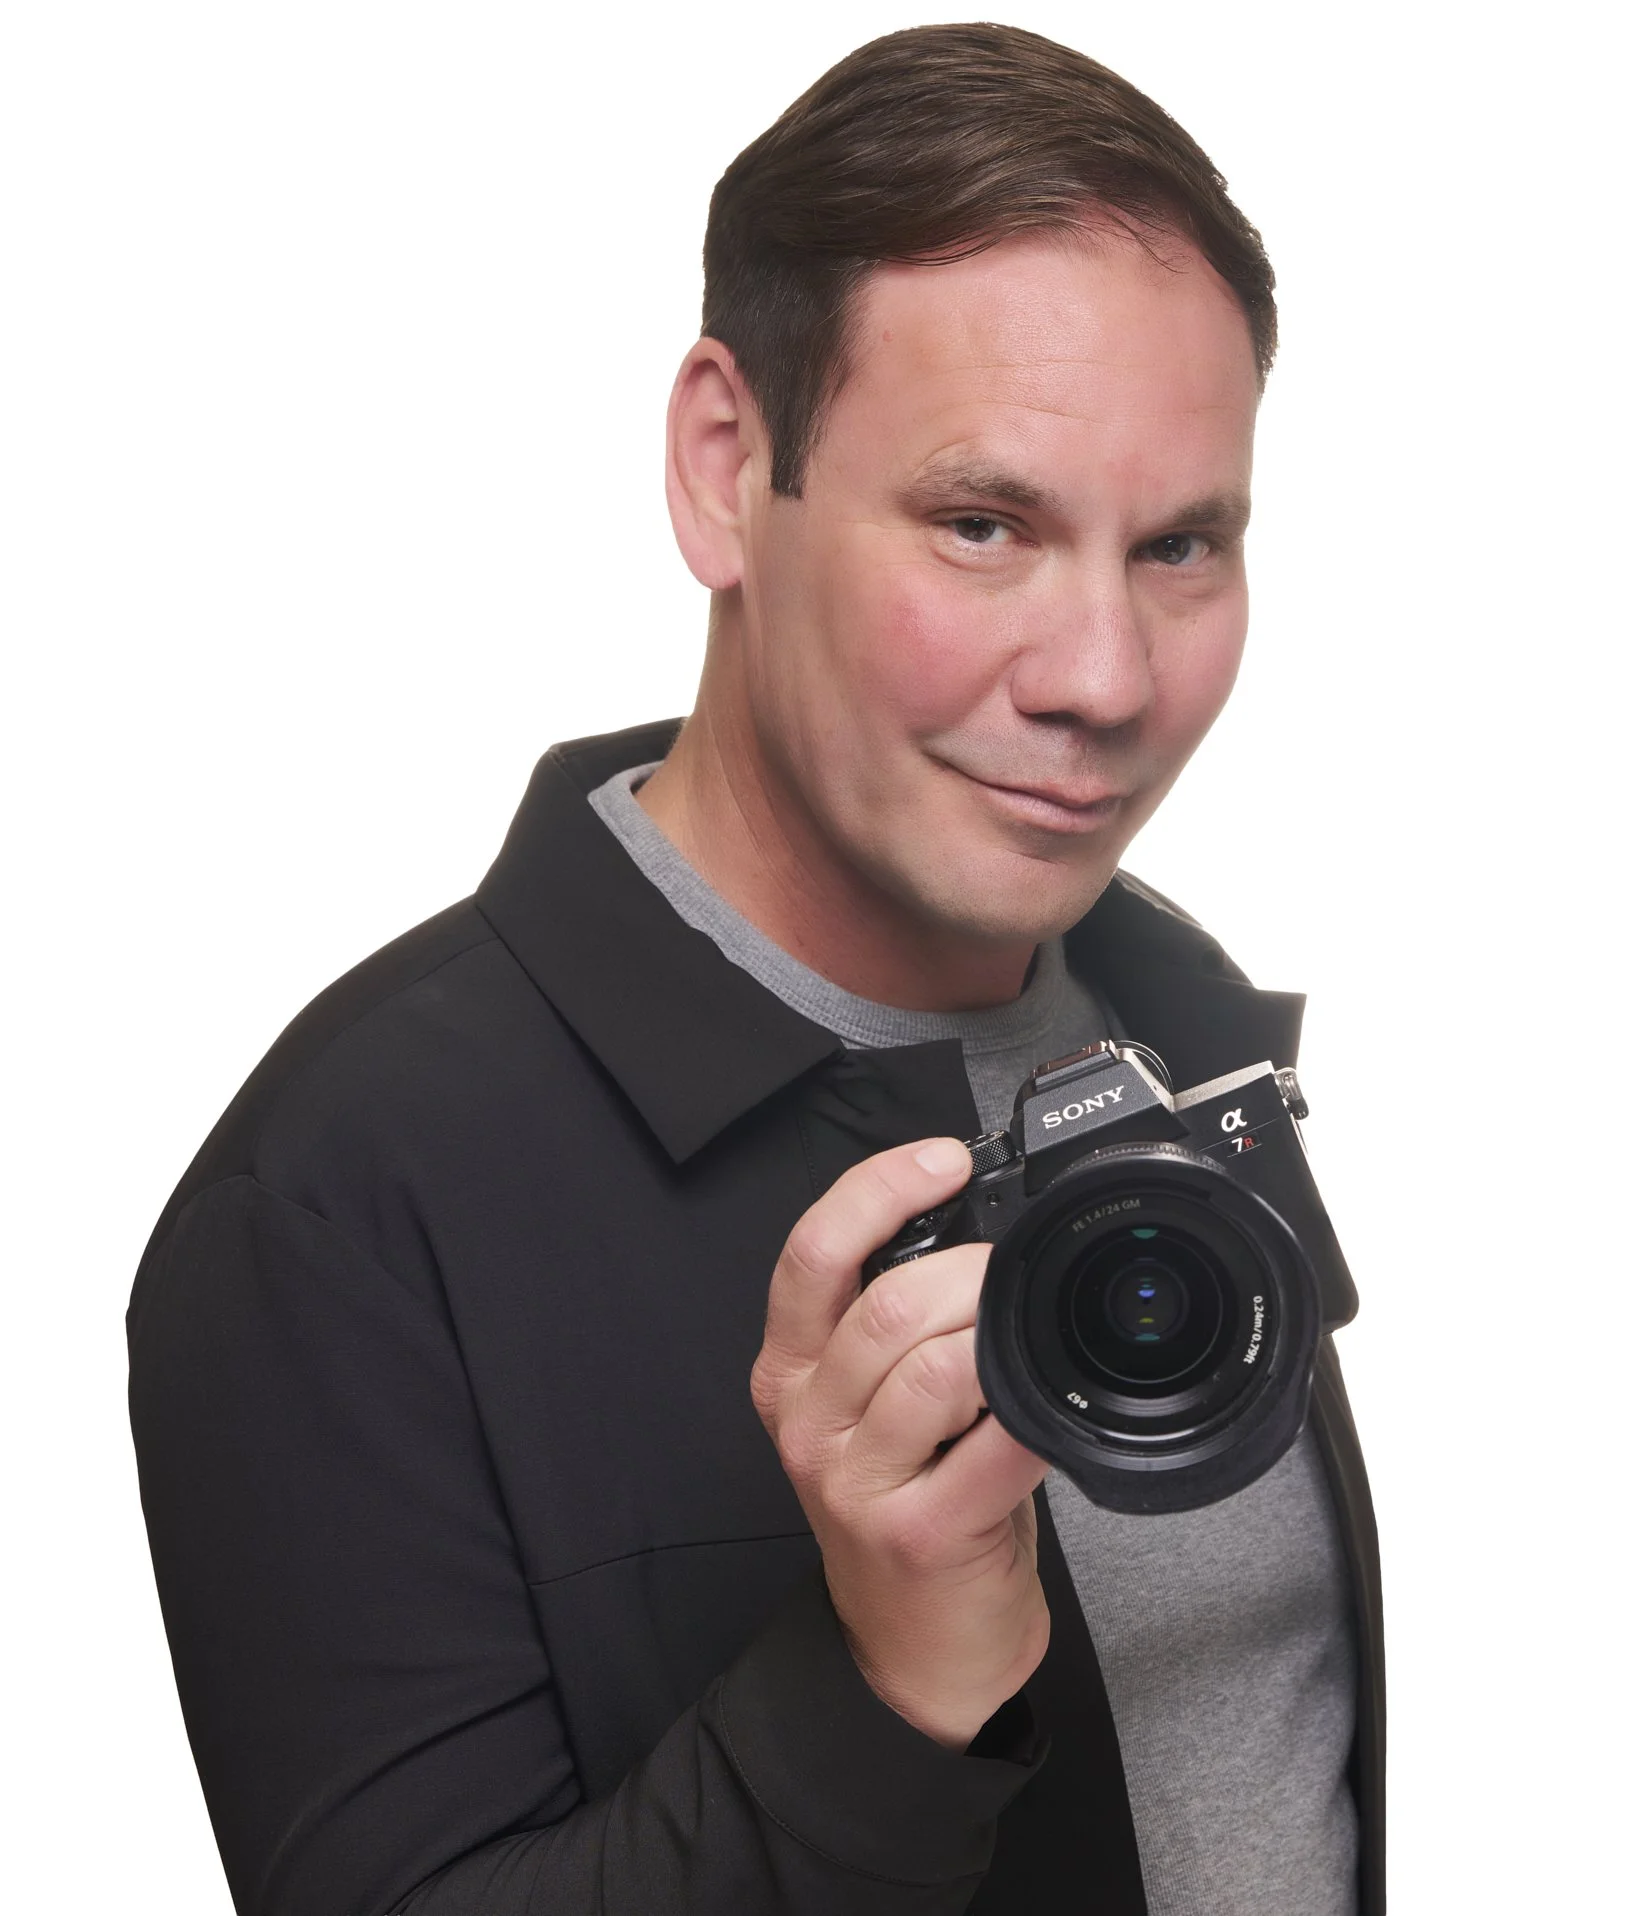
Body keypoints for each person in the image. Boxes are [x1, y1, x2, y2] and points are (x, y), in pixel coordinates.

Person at [126, 24, 1382, 1916]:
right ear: (727, 470)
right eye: (984, 526)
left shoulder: (1163, 1009)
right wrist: (886, 1688)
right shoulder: (337, 1207)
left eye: (1182, 546)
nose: (1106, 680)